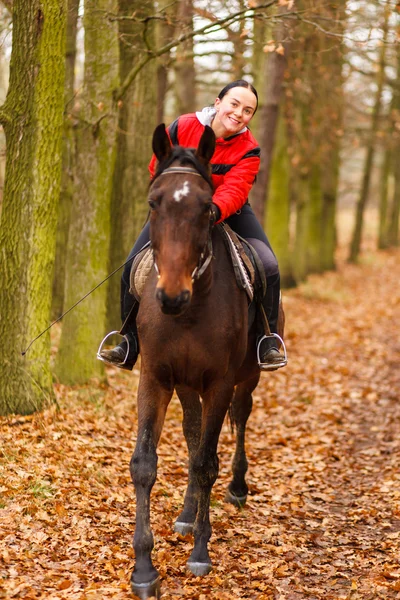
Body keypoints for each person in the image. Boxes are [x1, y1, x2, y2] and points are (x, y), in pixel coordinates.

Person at [99, 80, 286, 371]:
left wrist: (211, 210)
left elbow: (236, 189)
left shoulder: (250, 149)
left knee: (269, 265)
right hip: (178, 210)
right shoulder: (182, 127)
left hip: (225, 210)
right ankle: (129, 341)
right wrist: (178, 201)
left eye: (248, 110)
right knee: (132, 265)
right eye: (234, 104)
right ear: (218, 101)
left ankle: (268, 340)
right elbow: (157, 167)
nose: (239, 113)